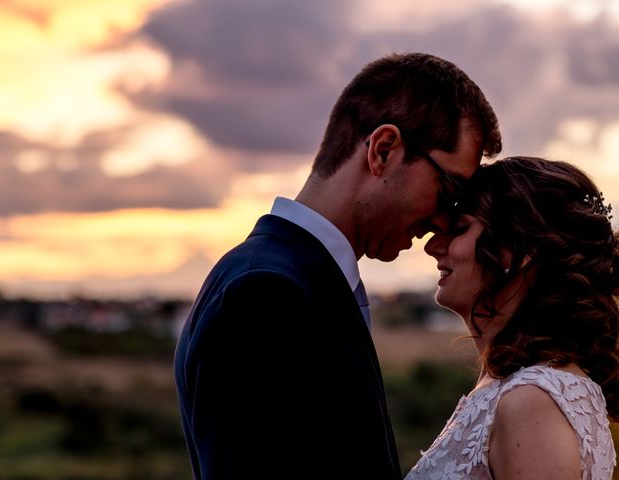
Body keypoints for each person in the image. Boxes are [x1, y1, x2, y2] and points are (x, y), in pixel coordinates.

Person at [174, 52, 501, 480]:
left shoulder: (290, 277)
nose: (443, 221)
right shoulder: (266, 293)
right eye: (449, 187)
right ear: (383, 150)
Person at [410, 156, 618, 479]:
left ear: (517, 251)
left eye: (461, 228)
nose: (433, 246)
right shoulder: (514, 388)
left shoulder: (532, 401)